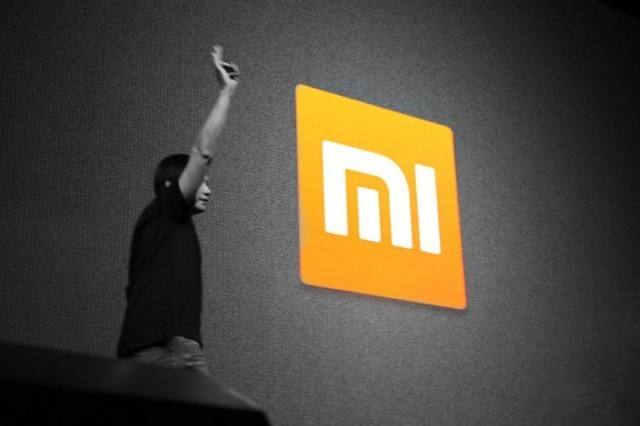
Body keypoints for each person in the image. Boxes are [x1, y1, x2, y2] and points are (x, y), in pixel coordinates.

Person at [116, 45, 239, 376]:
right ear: (173, 183)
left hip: (176, 350)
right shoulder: (165, 209)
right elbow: (202, 151)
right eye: (202, 182)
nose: (208, 189)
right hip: (164, 352)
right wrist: (226, 93)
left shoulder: (167, 225)